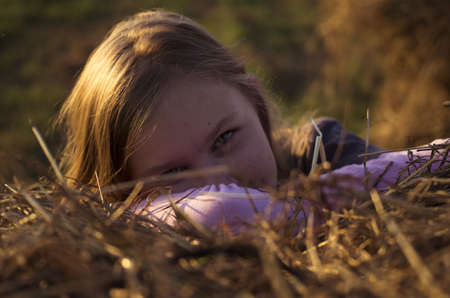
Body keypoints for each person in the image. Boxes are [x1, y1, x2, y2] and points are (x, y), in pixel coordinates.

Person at [59, 9, 427, 230]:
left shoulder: (323, 149)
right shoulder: (125, 251)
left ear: (255, 102)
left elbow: (427, 193)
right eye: (172, 175)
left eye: (225, 138)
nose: (220, 182)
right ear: (122, 190)